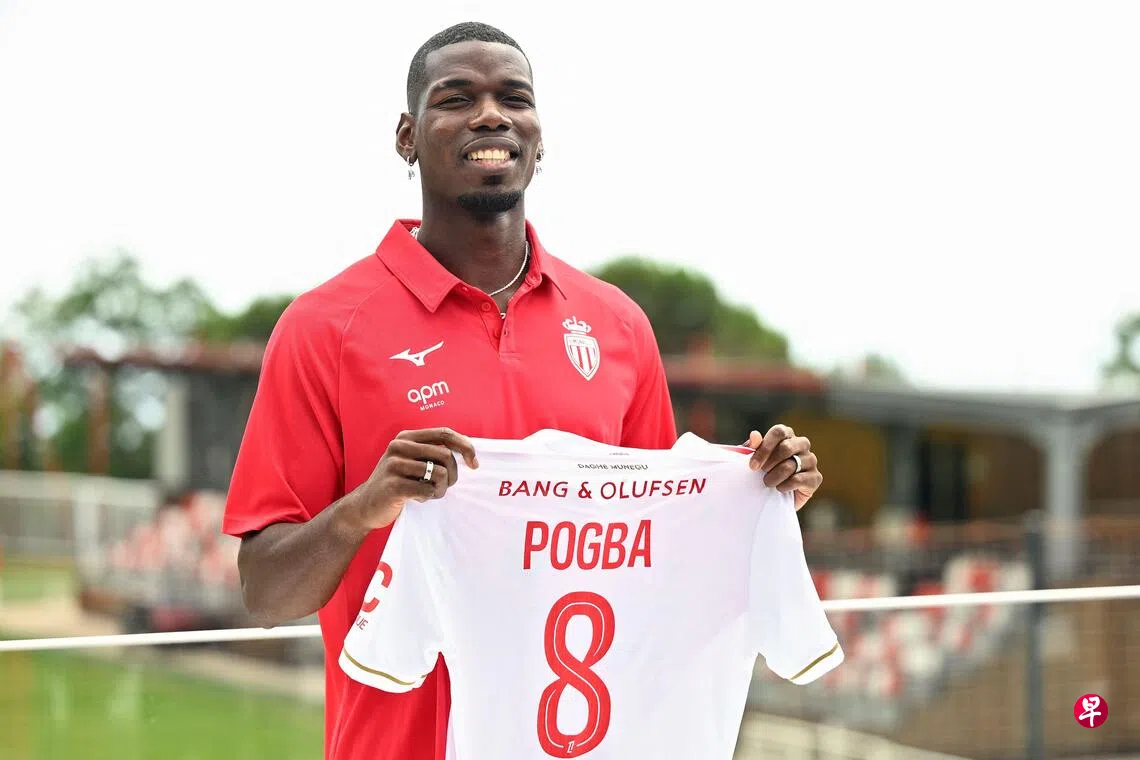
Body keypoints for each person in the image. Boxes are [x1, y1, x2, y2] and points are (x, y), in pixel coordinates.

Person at [222, 21, 825, 760]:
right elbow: (264, 592)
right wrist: (365, 508)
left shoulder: (618, 327)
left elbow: (657, 560)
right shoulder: (323, 328)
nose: (490, 115)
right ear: (407, 138)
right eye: (456, 99)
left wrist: (758, 493)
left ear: (541, 140)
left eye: (514, 98)